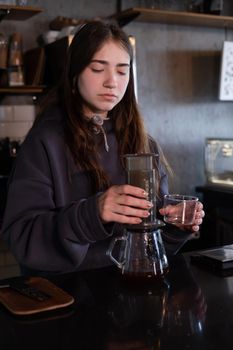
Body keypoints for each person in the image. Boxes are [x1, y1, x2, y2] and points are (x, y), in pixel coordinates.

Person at [0, 20, 204, 276]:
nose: (112, 82)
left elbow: (154, 246)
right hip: (67, 299)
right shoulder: (44, 142)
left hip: (133, 292)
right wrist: (92, 213)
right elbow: (21, 238)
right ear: (74, 73)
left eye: (122, 71)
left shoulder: (143, 143)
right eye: (98, 68)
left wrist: (176, 226)